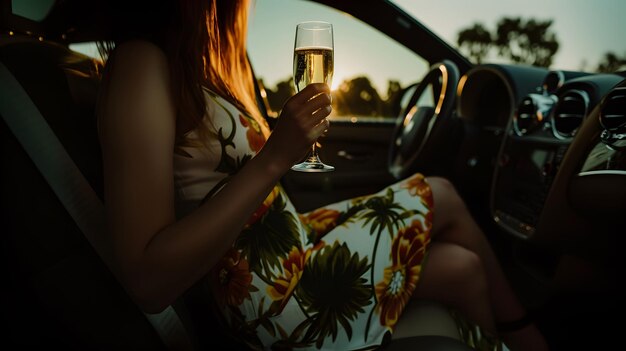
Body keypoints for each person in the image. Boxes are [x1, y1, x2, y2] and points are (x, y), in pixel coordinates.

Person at [96, 1, 549, 350]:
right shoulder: (141, 63)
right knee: (443, 193)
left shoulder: (196, 67)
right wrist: (275, 157)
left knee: (463, 267)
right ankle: (531, 340)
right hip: (277, 299)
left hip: (294, 252)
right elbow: (147, 279)